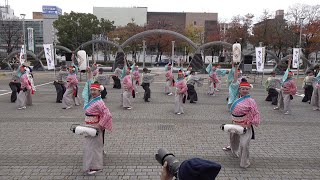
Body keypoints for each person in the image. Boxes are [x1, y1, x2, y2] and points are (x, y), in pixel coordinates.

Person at [225, 80, 260, 168]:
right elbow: (233, 84)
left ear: (249, 90)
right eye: (243, 89)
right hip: (235, 122)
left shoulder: (251, 101)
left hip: (245, 124)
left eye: (246, 89)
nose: (245, 90)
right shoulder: (236, 97)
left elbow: (255, 112)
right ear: (239, 90)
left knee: (244, 144)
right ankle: (234, 152)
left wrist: (250, 123)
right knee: (233, 139)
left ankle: (244, 162)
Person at [82, 82, 113, 175]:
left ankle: (94, 166)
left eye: (94, 90)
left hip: (94, 126)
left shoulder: (99, 102)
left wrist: (99, 125)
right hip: (90, 125)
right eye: (91, 90)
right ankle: (92, 165)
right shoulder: (94, 100)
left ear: (99, 91)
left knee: (93, 147)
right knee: (91, 146)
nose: (92, 92)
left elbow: (108, 114)